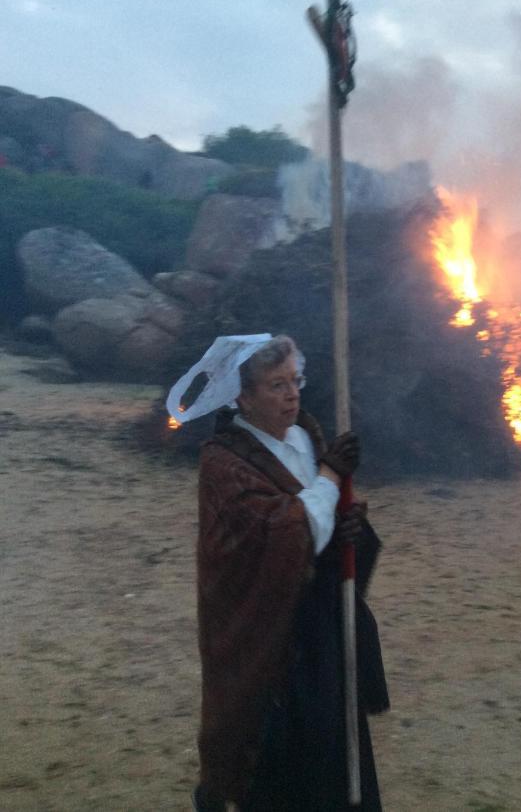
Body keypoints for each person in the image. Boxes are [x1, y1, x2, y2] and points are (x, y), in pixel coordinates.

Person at [167, 334, 388, 811]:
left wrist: (349, 523)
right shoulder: (224, 463)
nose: (292, 394)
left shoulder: (307, 436)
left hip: (316, 628)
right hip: (263, 631)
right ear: (243, 397)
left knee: (332, 742)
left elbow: (321, 525)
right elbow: (287, 535)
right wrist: (330, 479)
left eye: (295, 381)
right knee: (268, 755)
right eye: (276, 385)